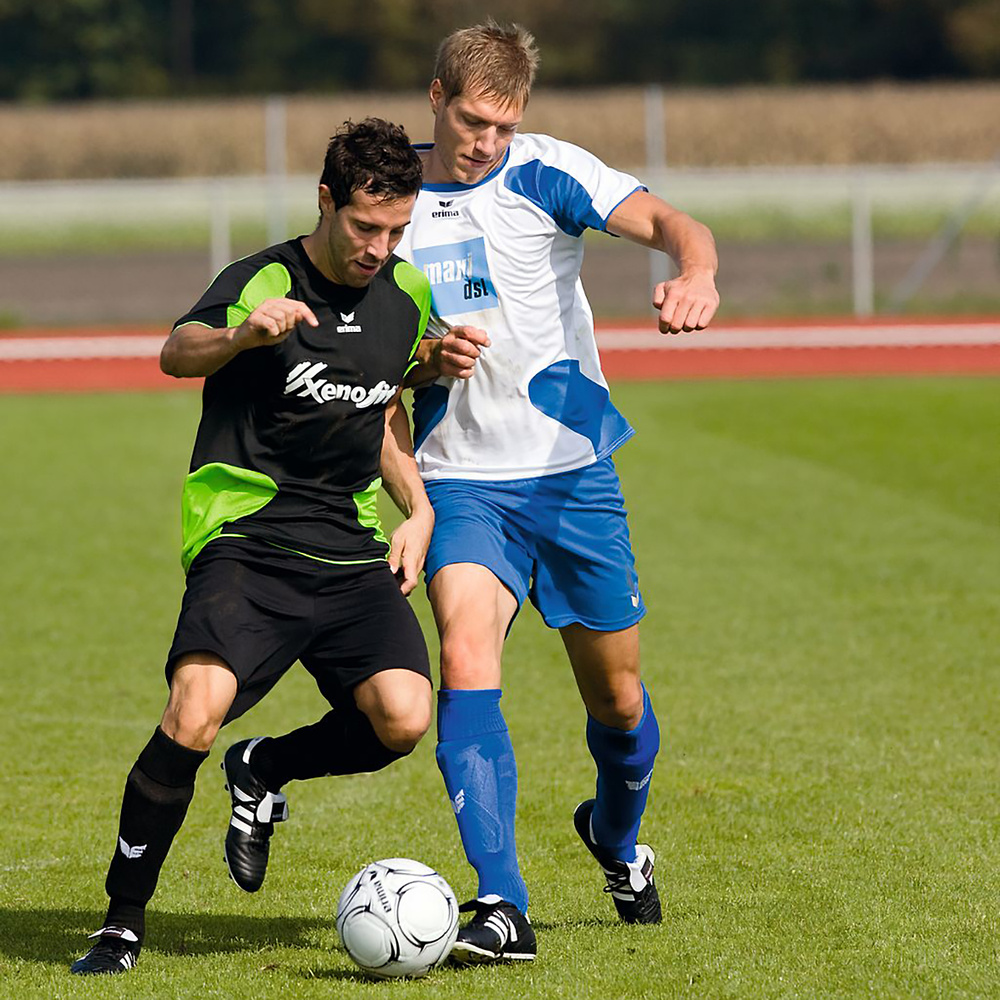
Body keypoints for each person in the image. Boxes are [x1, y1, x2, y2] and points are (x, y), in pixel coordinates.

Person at [70, 118, 435, 975]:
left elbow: (382, 405)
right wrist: (241, 335)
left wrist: (417, 509)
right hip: (249, 540)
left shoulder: (409, 294)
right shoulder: (264, 278)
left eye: (395, 232)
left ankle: (264, 767)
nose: (379, 249)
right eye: (364, 228)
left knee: (403, 719)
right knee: (192, 711)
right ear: (325, 202)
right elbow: (175, 352)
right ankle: (122, 922)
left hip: (348, 548)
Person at [395, 21, 720, 963]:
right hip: (460, 482)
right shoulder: (394, 195)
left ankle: (615, 840)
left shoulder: (547, 170)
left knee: (618, 704)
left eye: (502, 123)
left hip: (573, 475)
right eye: (469, 119)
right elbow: (369, 340)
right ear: (435, 97)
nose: (484, 140)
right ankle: (501, 903)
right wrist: (423, 360)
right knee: (463, 651)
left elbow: (671, 224)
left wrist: (694, 272)